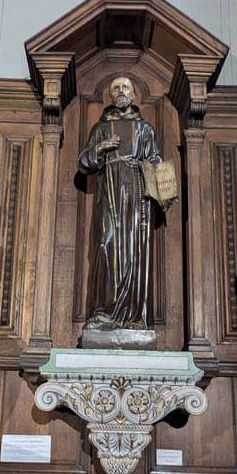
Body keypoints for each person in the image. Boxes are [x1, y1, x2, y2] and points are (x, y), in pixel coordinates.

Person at [78, 76, 162, 331]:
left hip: (137, 195)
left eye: (125, 87)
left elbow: (155, 159)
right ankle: (104, 311)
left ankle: (134, 315)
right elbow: (83, 163)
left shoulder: (144, 129)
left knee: (135, 249)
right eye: (116, 88)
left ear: (134, 95)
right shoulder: (101, 128)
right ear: (111, 95)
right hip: (109, 194)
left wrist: (158, 177)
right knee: (106, 244)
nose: (121, 91)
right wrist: (101, 147)